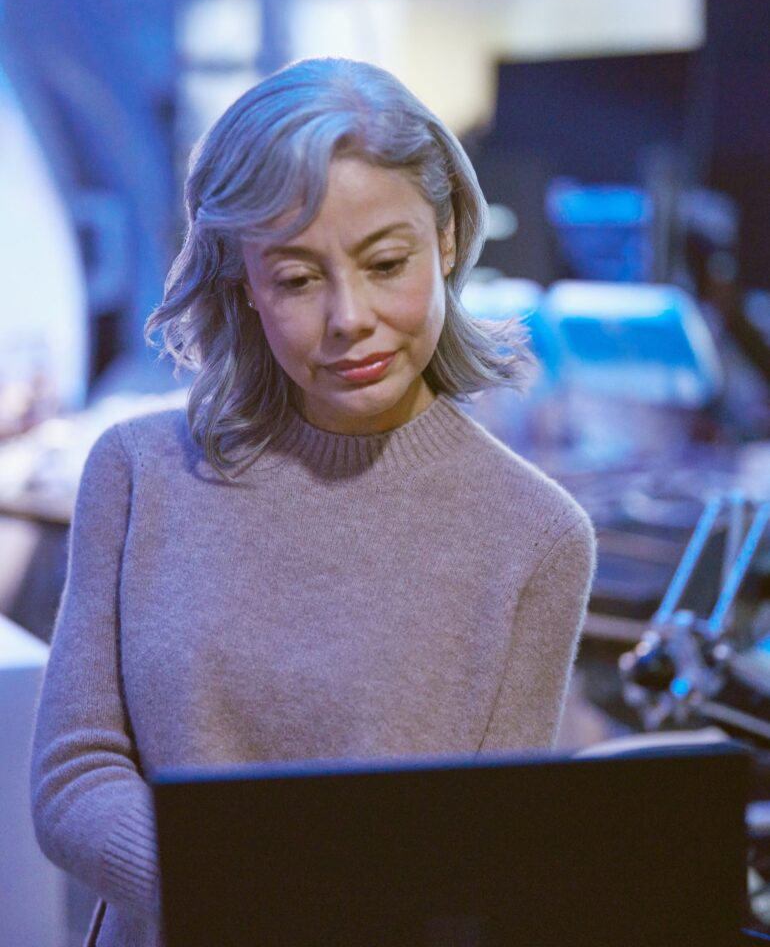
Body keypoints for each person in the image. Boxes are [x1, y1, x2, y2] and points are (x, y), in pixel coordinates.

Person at [31, 57, 596, 947]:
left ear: (446, 238)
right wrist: (238, 896)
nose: (349, 317)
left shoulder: (535, 535)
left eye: (386, 263)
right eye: (296, 279)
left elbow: (485, 859)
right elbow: (74, 774)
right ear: (243, 284)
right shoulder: (137, 474)